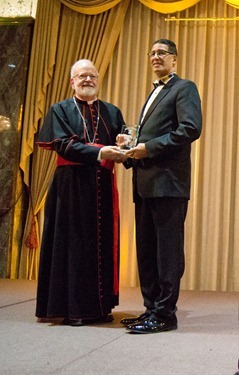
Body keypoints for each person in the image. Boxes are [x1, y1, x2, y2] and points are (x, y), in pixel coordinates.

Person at [118, 39, 202, 333]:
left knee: (167, 252)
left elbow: (190, 128)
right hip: (144, 184)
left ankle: (166, 314)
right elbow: (147, 137)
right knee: (147, 251)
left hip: (169, 184)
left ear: (174, 59)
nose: (155, 57)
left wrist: (148, 148)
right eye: (151, 53)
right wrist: (129, 148)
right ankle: (151, 309)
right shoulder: (153, 92)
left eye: (162, 53)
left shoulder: (184, 88)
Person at [36, 59, 126, 326]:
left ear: (98, 80)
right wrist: (99, 152)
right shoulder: (60, 109)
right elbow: (62, 144)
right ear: (72, 81)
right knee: (72, 245)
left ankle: (99, 307)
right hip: (70, 187)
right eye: (82, 76)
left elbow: (121, 137)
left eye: (92, 76)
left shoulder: (111, 111)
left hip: (102, 186)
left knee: (100, 246)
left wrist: (123, 141)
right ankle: (69, 308)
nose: (88, 80)